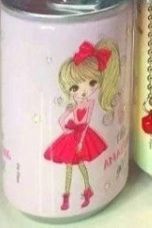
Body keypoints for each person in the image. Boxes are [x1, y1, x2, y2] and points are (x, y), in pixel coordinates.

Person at [43, 40, 121, 211]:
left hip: (82, 137)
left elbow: (85, 124)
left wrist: (80, 141)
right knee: (70, 167)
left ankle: (87, 190)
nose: (84, 91)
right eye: (75, 88)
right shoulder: (74, 104)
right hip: (72, 136)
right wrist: (65, 126)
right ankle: (67, 196)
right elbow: (61, 120)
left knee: (81, 165)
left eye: (92, 83)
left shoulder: (89, 104)